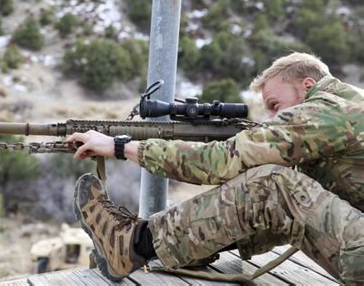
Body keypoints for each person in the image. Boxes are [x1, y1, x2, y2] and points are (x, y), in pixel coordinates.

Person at [67, 52, 364, 284]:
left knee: (273, 186)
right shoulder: (350, 103)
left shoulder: (329, 110)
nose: (271, 117)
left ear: (307, 86)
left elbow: (222, 161)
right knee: (286, 192)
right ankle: (190, 245)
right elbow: (293, 212)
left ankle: (133, 244)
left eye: (275, 104)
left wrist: (121, 146)